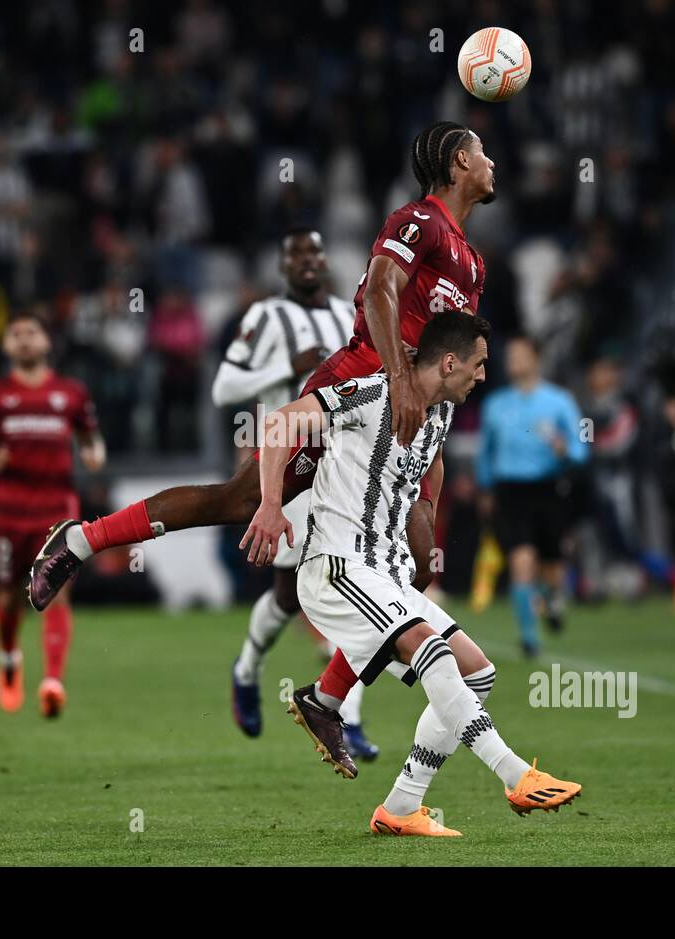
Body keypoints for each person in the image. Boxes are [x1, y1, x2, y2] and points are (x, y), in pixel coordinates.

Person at [29, 121, 495, 719]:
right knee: (240, 502)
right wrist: (401, 382)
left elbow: (450, 364)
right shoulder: (420, 221)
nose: (491, 164)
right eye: (482, 153)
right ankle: (82, 540)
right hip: (356, 394)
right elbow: (380, 288)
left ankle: (327, 697)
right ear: (459, 162)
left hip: (414, 421)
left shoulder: (474, 264)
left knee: (421, 558)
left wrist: (427, 462)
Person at [244, 312, 581, 834]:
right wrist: (270, 504)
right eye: (479, 364)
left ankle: (401, 807)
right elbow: (280, 422)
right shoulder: (369, 394)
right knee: (433, 650)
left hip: (385, 573)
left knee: (478, 672)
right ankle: (514, 773)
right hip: (337, 566)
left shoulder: (441, 413)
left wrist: (426, 510)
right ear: (449, 362)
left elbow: (435, 460)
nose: (484, 376)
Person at [210, 228, 375, 754]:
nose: (308, 260)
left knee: (351, 582)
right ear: (283, 266)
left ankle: (347, 719)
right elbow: (223, 388)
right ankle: (247, 668)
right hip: (288, 464)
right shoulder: (265, 317)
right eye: (297, 254)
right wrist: (286, 367)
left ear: (326, 260)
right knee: (288, 597)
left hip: (340, 463)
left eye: (316, 251)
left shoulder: (343, 317)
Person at [0, 315, 105, 716]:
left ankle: (53, 681)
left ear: (46, 341)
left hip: (57, 511)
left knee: (58, 594)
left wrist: (94, 456)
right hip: (8, 511)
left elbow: (92, 440)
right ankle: (9, 659)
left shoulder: (70, 394)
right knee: (9, 595)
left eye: (32, 333)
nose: (24, 340)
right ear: (6, 346)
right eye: (16, 334)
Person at [476, 335, 589, 656]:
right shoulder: (495, 404)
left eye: (520, 354)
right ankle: (529, 637)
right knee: (521, 560)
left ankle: (553, 599)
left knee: (552, 564)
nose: (513, 361)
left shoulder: (559, 401)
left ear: (536, 358)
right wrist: (485, 488)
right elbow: (486, 451)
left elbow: (581, 448)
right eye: (509, 355)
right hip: (511, 492)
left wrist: (566, 449)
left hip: (548, 489)